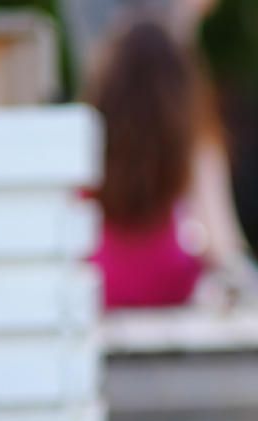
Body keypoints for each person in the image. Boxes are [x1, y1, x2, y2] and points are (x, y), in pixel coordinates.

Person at [84, 19, 203, 308]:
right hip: (168, 290)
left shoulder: (82, 164)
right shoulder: (189, 155)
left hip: (94, 293)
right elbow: (219, 247)